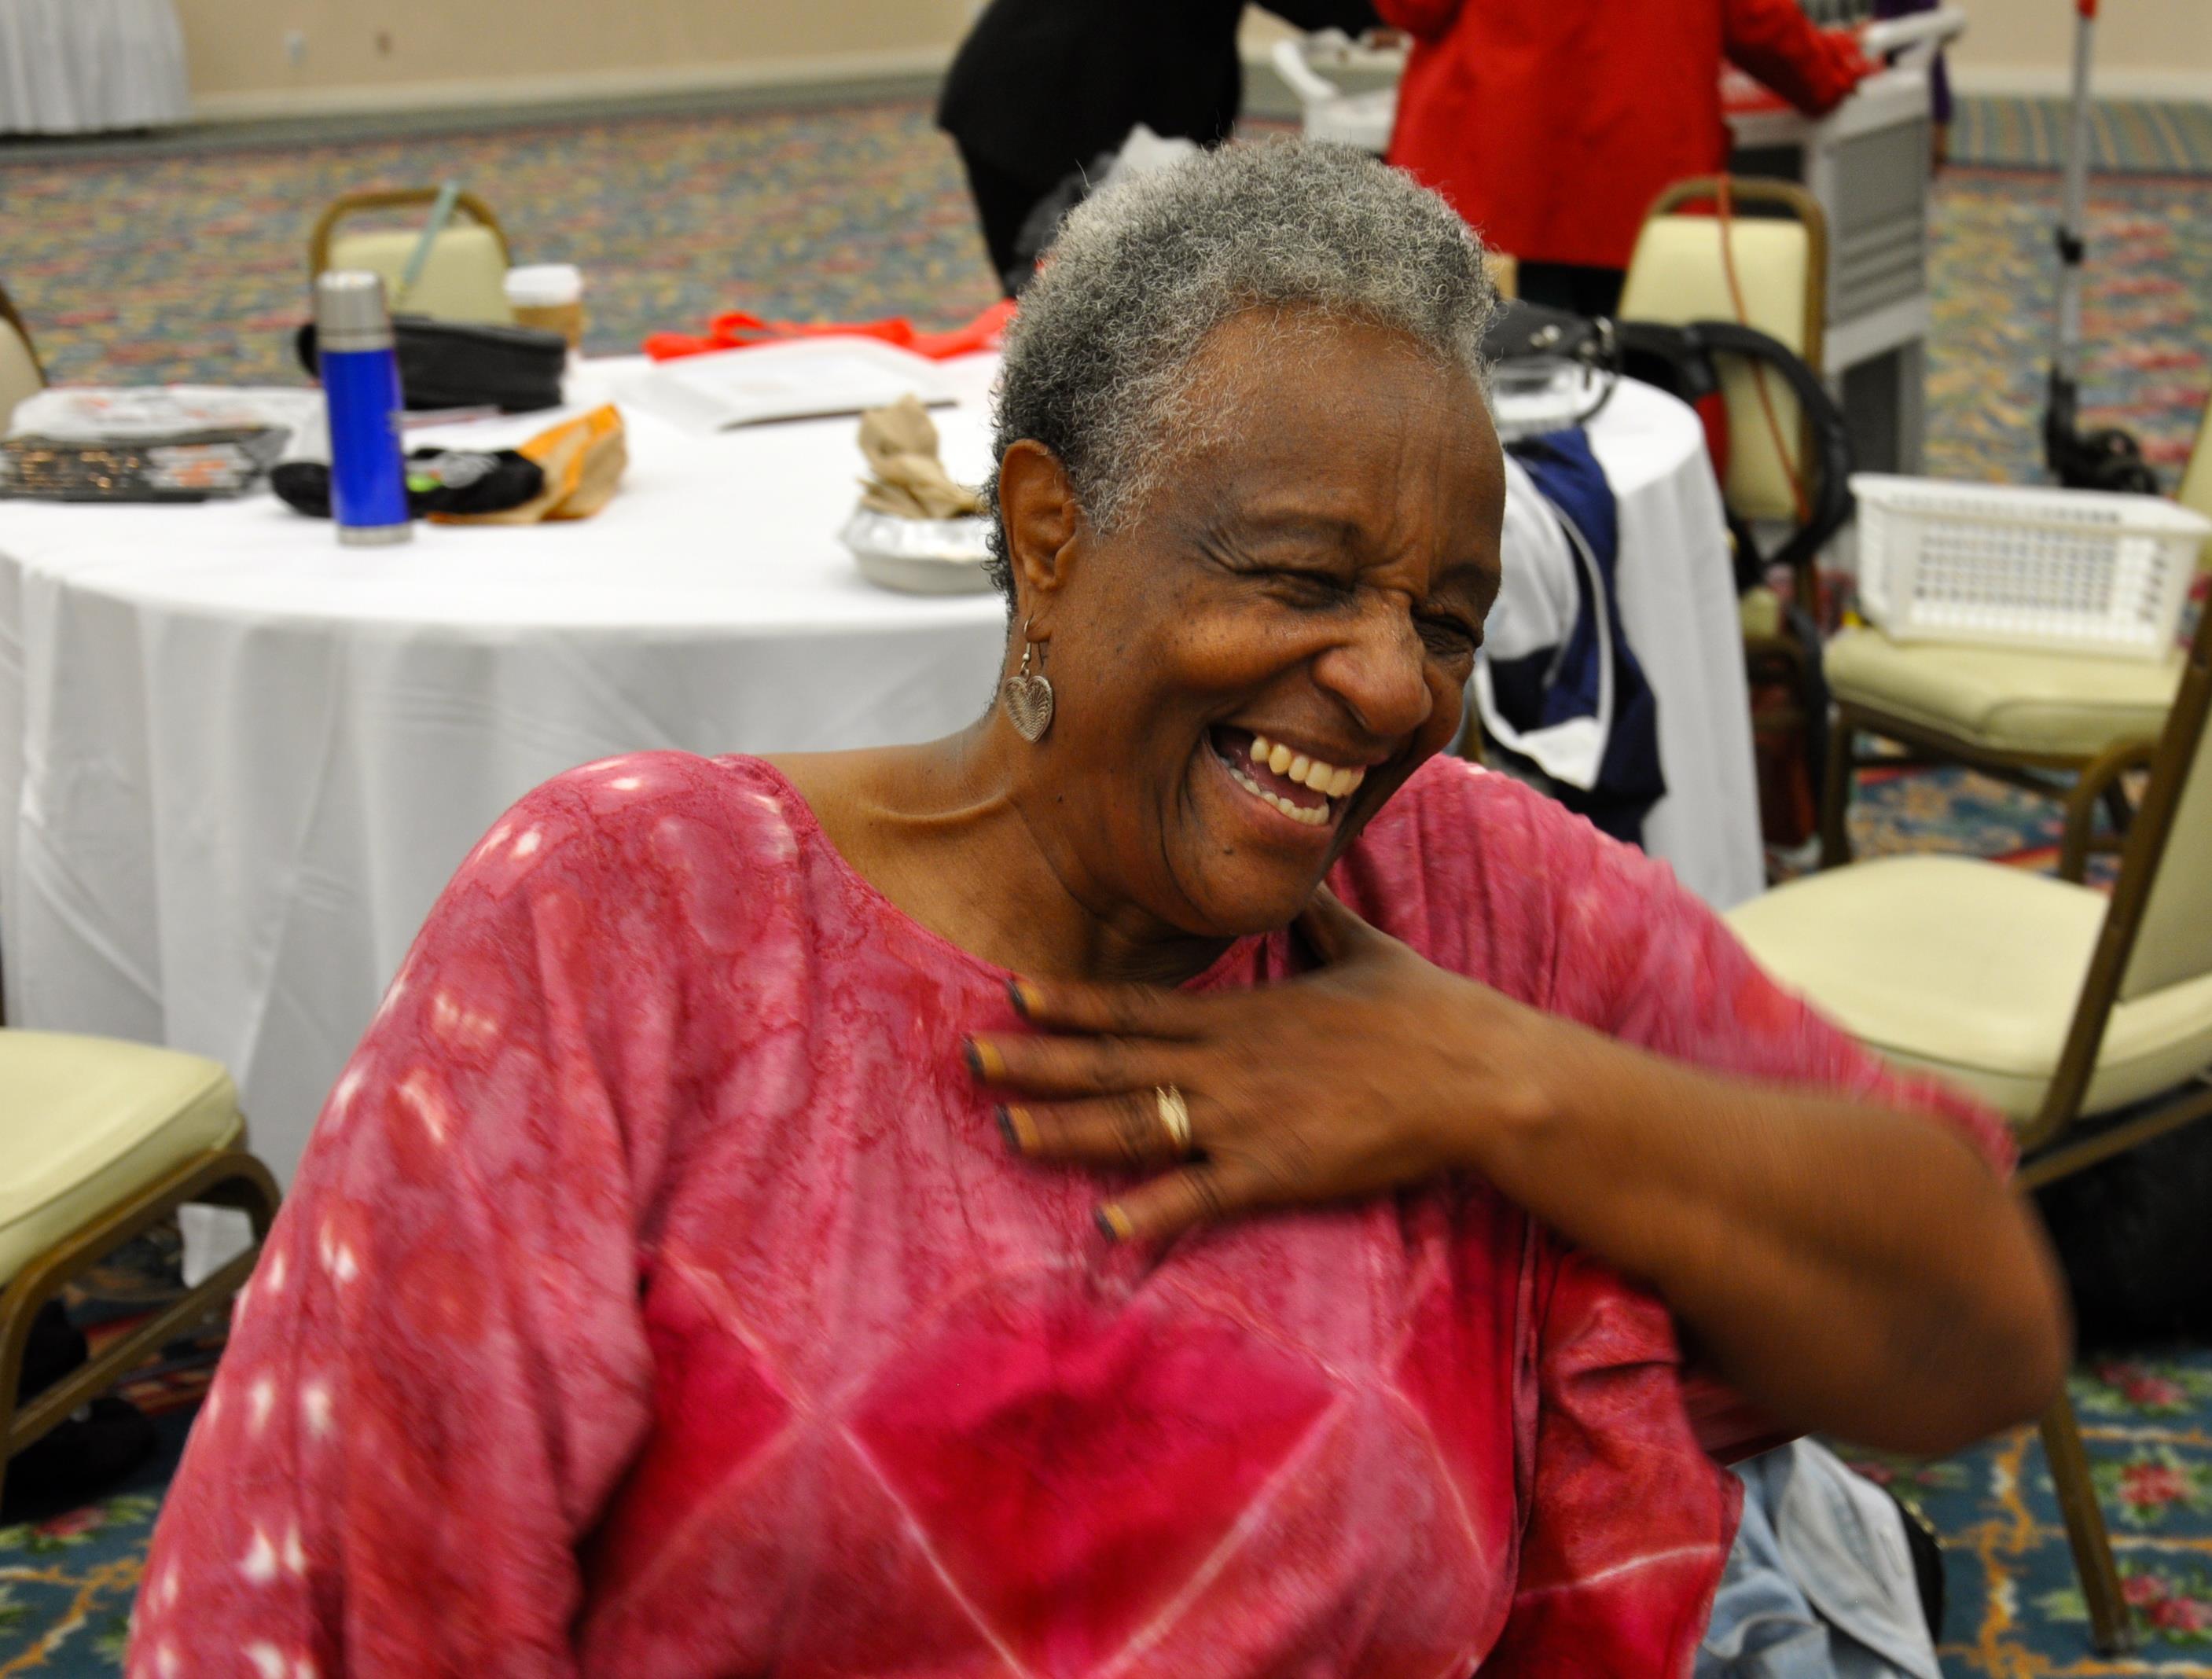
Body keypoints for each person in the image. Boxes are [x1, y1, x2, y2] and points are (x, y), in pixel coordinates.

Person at [132, 143, 2065, 1676]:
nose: (1388, 684)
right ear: (1049, 534)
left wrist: (1500, 1086)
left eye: (1447, 619)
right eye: (1301, 575)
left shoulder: (1467, 906)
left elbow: (1977, 1317)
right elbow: (348, 1604)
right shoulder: (639, 925)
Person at [1380, 0, 1875, 318]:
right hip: (1644, 188)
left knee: (1496, 413)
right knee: (1652, 404)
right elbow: (1758, 18)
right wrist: (1829, 71)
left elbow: (1412, 8)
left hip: (1494, 183)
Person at [938, 0, 1378, 296]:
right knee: (1054, 309)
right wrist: (1382, 14)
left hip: (1041, 92)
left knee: (1083, 303)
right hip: (1040, 108)